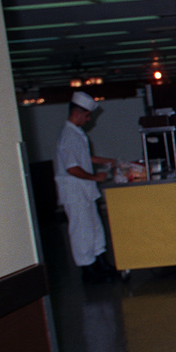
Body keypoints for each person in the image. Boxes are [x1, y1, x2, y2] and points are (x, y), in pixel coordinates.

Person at [54, 91, 117, 283]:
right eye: (87, 115)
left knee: (95, 229)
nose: (89, 120)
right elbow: (72, 167)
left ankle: (101, 263)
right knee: (82, 232)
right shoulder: (69, 136)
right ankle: (88, 271)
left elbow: (82, 158)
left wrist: (106, 161)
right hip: (75, 192)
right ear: (78, 113)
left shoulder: (76, 134)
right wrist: (95, 177)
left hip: (84, 192)